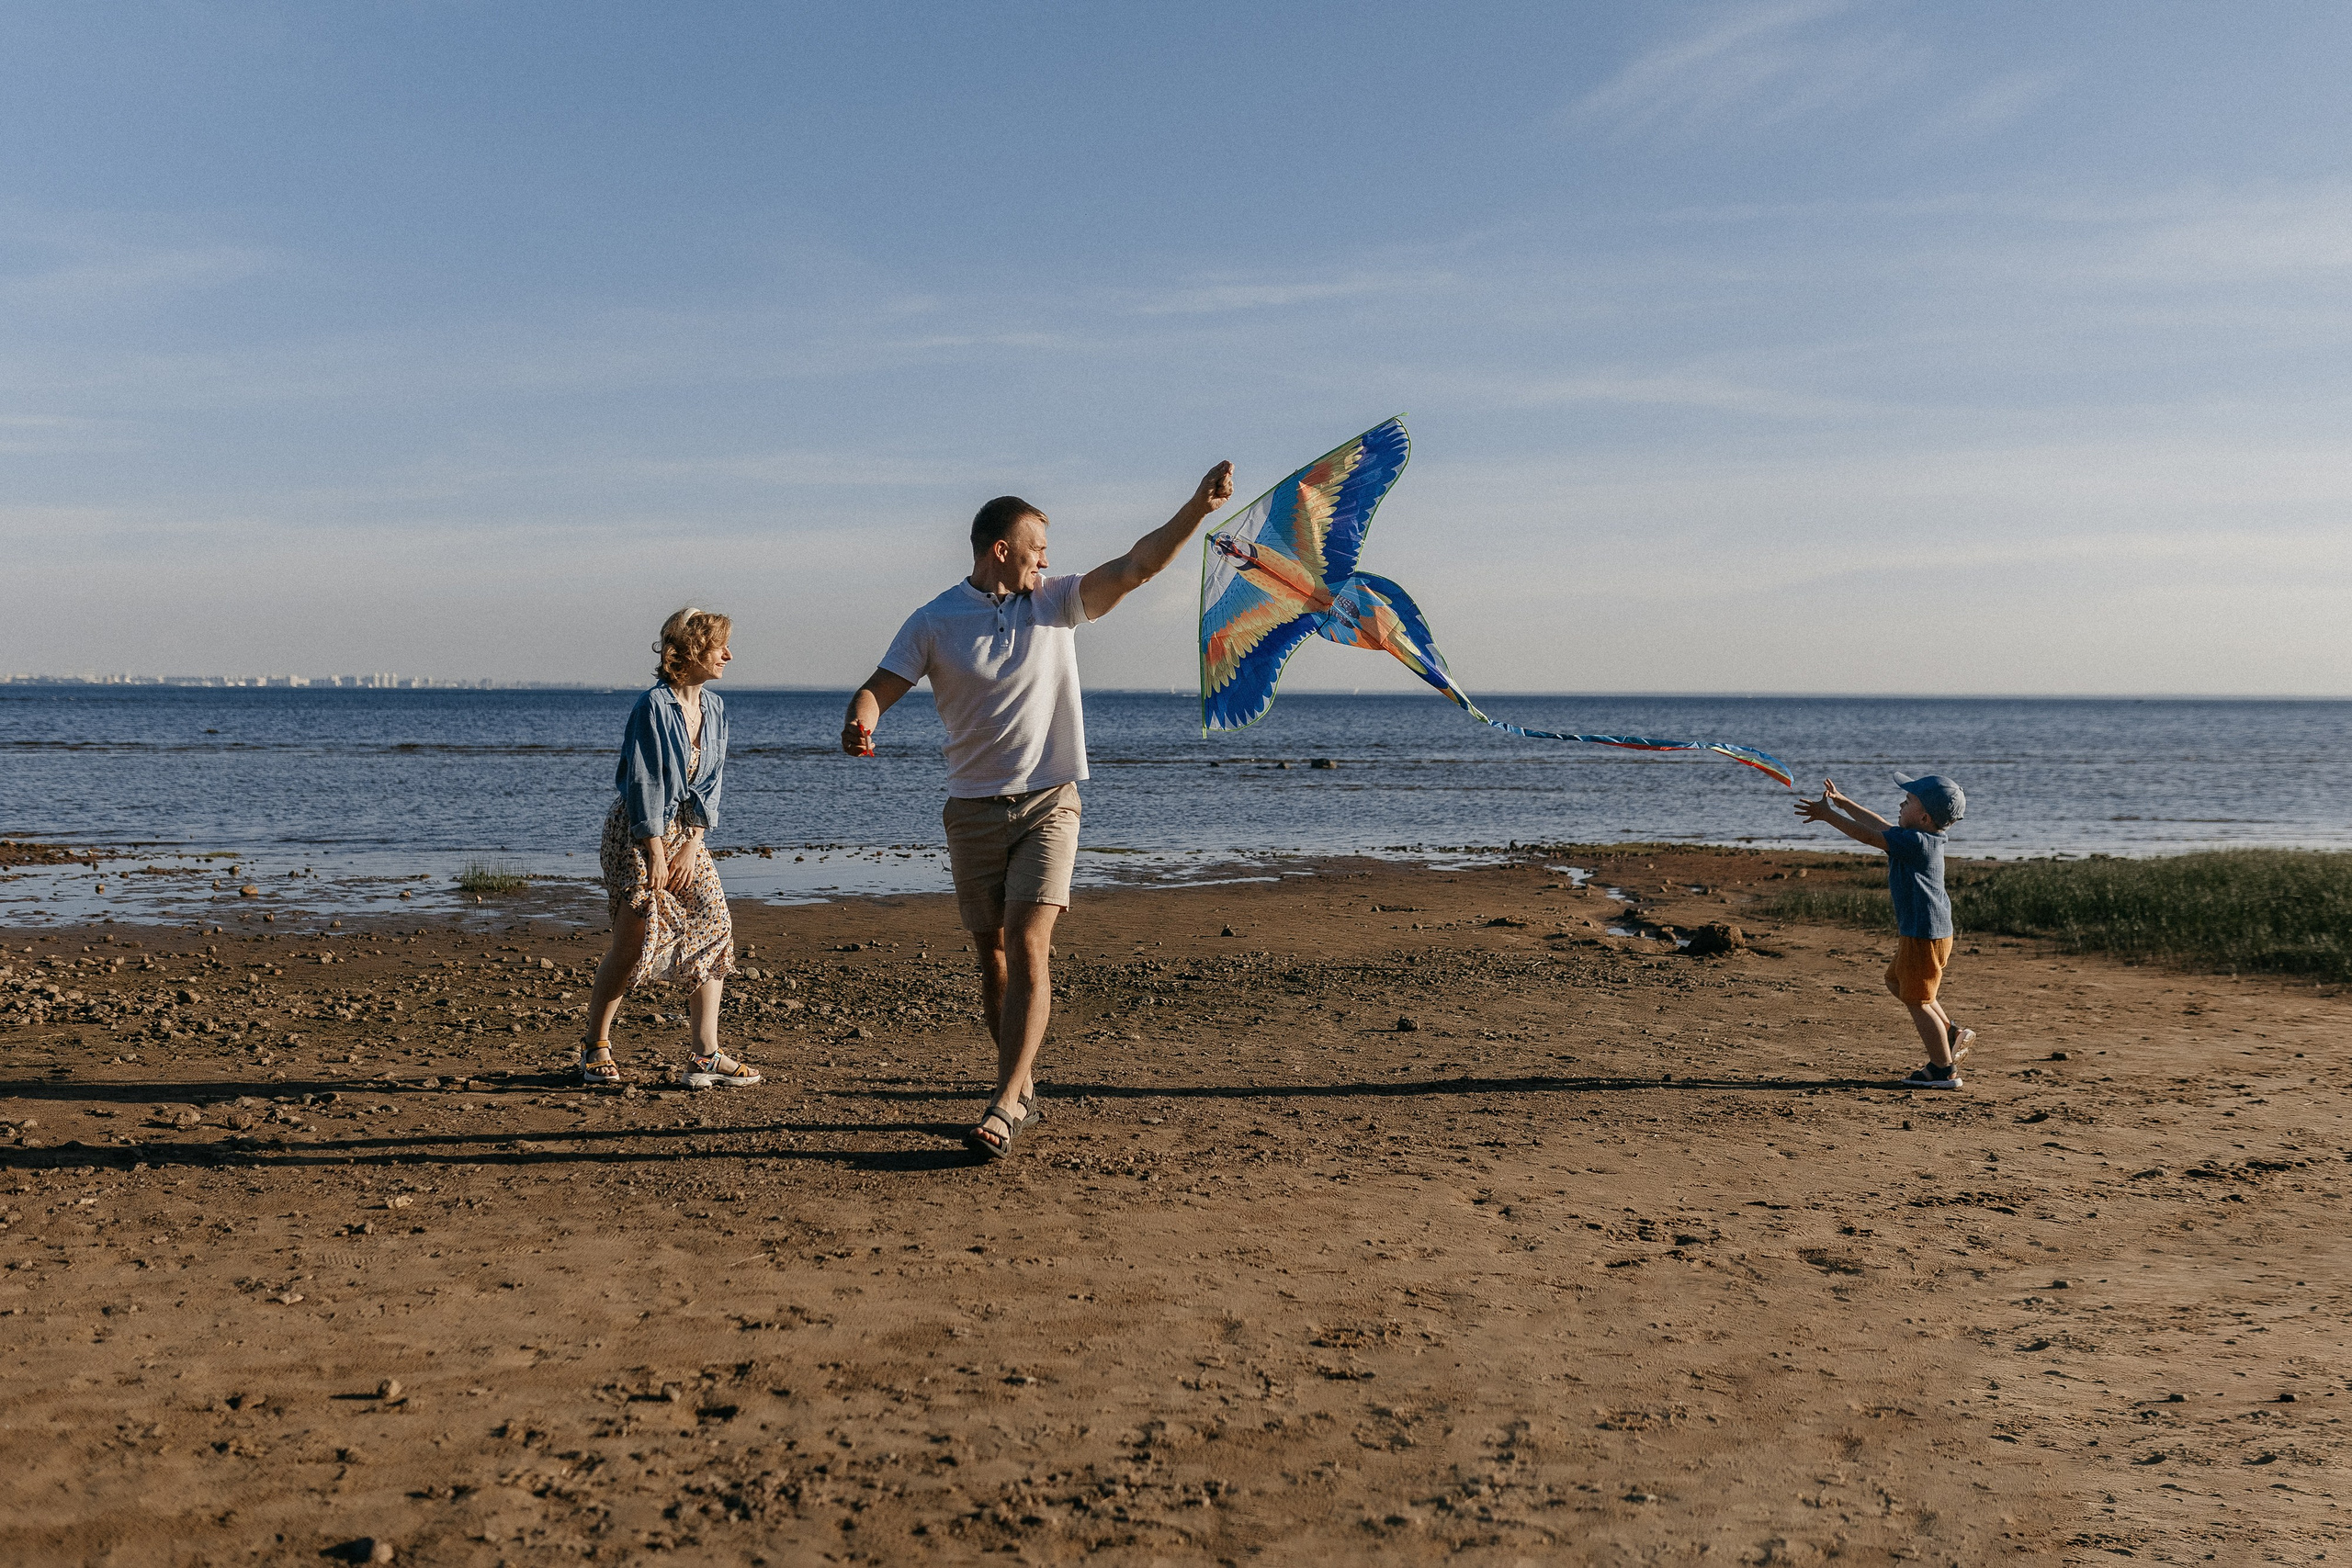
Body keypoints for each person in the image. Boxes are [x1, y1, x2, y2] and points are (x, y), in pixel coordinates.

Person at [843, 462, 1236, 1157]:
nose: (1046, 559)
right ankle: (1021, 1087)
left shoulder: (1054, 601)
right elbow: (880, 686)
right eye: (1037, 547)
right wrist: (861, 718)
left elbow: (1138, 565)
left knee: (1028, 943)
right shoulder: (935, 619)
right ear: (1002, 549)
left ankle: (1002, 1103)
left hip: (1051, 802)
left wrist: (1195, 509)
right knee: (990, 952)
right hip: (970, 809)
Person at [579, 606, 760, 1090]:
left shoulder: (716, 710)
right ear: (691, 651)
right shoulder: (652, 706)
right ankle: (596, 1046)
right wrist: (657, 851)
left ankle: (705, 1056)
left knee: (714, 925)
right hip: (641, 833)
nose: (728, 654)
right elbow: (643, 783)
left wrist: (693, 843)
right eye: (718, 645)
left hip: (687, 835)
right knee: (633, 939)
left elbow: (712, 784)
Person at [1794, 773, 1975, 1089]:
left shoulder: (1916, 843)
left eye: (1907, 802)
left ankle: (1943, 1070)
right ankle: (1949, 1033)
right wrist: (1844, 802)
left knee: (1917, 999)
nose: (1900, 804)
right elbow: (1878, 825)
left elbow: (1869, 837)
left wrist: (1829, 816)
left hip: (1924, 934)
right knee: (1898, 982)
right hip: (1927, 932)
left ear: (1923, 817)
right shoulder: (1919, 837)